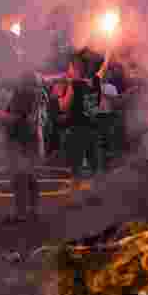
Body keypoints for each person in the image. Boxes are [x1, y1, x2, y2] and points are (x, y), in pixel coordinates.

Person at [57, 52, 105, 207]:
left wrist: (59, 95)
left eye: (70, 67)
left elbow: (64, 106)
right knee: (93, 164)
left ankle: (75, 199)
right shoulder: (96, 81)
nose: (68, 70)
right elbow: (102, 70)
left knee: (76, 166)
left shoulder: (74, 85)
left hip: (78, 129)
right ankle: (94, 195)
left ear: (77, 69)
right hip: (93, 128)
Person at [0, 74, 43, 223]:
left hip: (20, 141)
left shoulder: (23, 94)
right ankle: (34, 210)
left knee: (19, 177)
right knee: (30, 177)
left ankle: (20, 213)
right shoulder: (36, 94)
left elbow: (14, 118)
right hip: (31, 139)